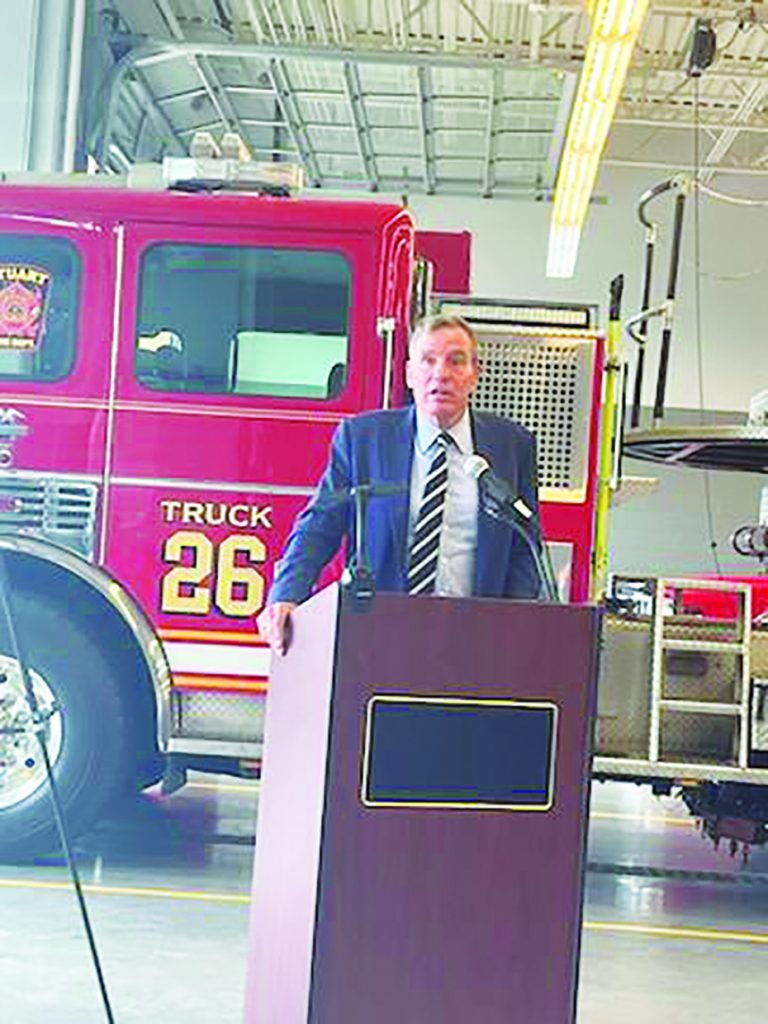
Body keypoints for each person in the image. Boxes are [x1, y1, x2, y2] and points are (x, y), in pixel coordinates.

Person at [257, 314, 542, 654]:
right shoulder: (362, 439)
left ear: (474, 376)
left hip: (476, 644)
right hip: (381, 639)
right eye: (428, 360)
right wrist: (287, 593)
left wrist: (514, 629)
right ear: (409, 374)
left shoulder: (512, 445)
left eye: (456, 361)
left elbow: (525, 549)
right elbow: (319, 525)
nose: (441, 374)